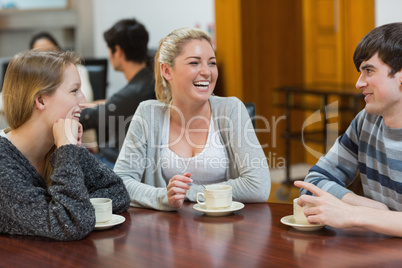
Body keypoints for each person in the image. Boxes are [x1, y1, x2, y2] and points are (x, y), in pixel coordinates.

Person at [114, 27, 271, 211]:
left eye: (212, 63)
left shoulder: (231, 109)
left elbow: (258, 186)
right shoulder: (148, 113)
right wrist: (163, 196)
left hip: (226, 230)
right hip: (167, 232)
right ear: (166, 71)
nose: (206, 72)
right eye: (194, 63)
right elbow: (121, 182)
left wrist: (188, 193)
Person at [0, 50, 130, 241]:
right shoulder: (4, 162)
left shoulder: (59, 142)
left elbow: (117, 192)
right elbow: (70, 224)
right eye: (74, 90)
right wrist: (67, 152)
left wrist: (76, 209)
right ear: (41, 100)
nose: (84, 101)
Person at [295, 22, 402, 237]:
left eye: (369, 71)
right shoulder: (366, 121)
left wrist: (355, 214)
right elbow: (314, 181)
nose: (358, 83)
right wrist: (366, 206)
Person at [79, 18, 155, 168]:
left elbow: (90, 118)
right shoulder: (150, 78)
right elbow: (112, 105)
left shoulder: (132, 94)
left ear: (118, 51)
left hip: (121, 164)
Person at [29, 31, 94, 102]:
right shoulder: (32, 77)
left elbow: (85, 100)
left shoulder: (76, 70)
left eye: (50, 51)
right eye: (40, 54)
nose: (47, 57)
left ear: (59, 50)